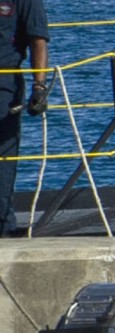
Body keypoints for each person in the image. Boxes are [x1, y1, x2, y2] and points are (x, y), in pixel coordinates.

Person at [1, 0, 46, 236]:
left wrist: (39, 87)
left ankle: (2, 225)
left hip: (4, 82)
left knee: (3, 156)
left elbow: (38, 39)